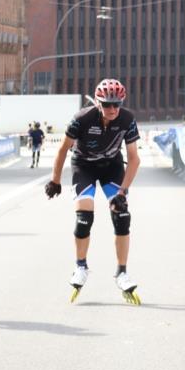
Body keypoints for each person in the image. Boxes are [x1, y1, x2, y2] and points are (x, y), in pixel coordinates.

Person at [45, 78, 141, 305]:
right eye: (107, 104)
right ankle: (81, 267)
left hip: (112, 167)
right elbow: (62, 150)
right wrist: (55, 180)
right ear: (98, 103)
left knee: (122, 215)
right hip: (84, 166)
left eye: (117, 104)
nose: (113, 109)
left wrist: (123, 192)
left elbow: (134, 159)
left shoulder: (127, 119)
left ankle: (122, 272)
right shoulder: (82, 119)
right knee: (84, 217)